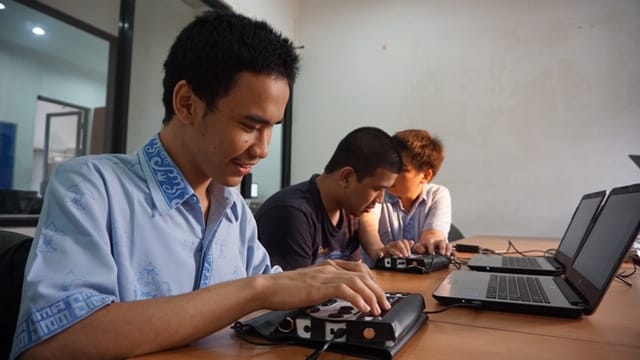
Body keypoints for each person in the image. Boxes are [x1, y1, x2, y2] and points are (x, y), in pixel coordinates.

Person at [11, 11, 389, 360]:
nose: (262, 149)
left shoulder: (234, 210)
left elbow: (272, 297)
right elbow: (53, 342)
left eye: (272, 128)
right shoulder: (91, 187)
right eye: (249, 125)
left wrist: (327, 286)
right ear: (187, 104)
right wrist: (257, 290)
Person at [255, 126, 405, 270]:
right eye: (377, 189)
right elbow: (291, 292)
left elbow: (352, 276)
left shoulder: (350, 213)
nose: (380, 199)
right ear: (346, 177)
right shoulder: (292, 214)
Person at [359, 129, 453, 263]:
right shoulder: (379, 189)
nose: (391, 174)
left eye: (401, 170)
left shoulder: (437, 194)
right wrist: (378, 250)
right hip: (376, 276)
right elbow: (367, 222)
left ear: (426, 176)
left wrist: (430, 245)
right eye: (390, 165)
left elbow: (433, 234)